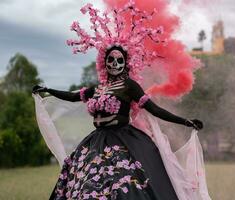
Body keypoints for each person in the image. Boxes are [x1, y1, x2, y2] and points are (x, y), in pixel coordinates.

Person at [32, 2, 210, 200]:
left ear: (126, 63)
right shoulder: (97, 88)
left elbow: (154, 109)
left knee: (127, 188)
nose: (114, 64)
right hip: (96, 142)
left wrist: (186, 122)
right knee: (87, 187)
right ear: (104, 62)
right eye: (111, 60)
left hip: (124, 142)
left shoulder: (129, 86)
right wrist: (47, 90)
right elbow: (73, 96)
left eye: (119, 60)